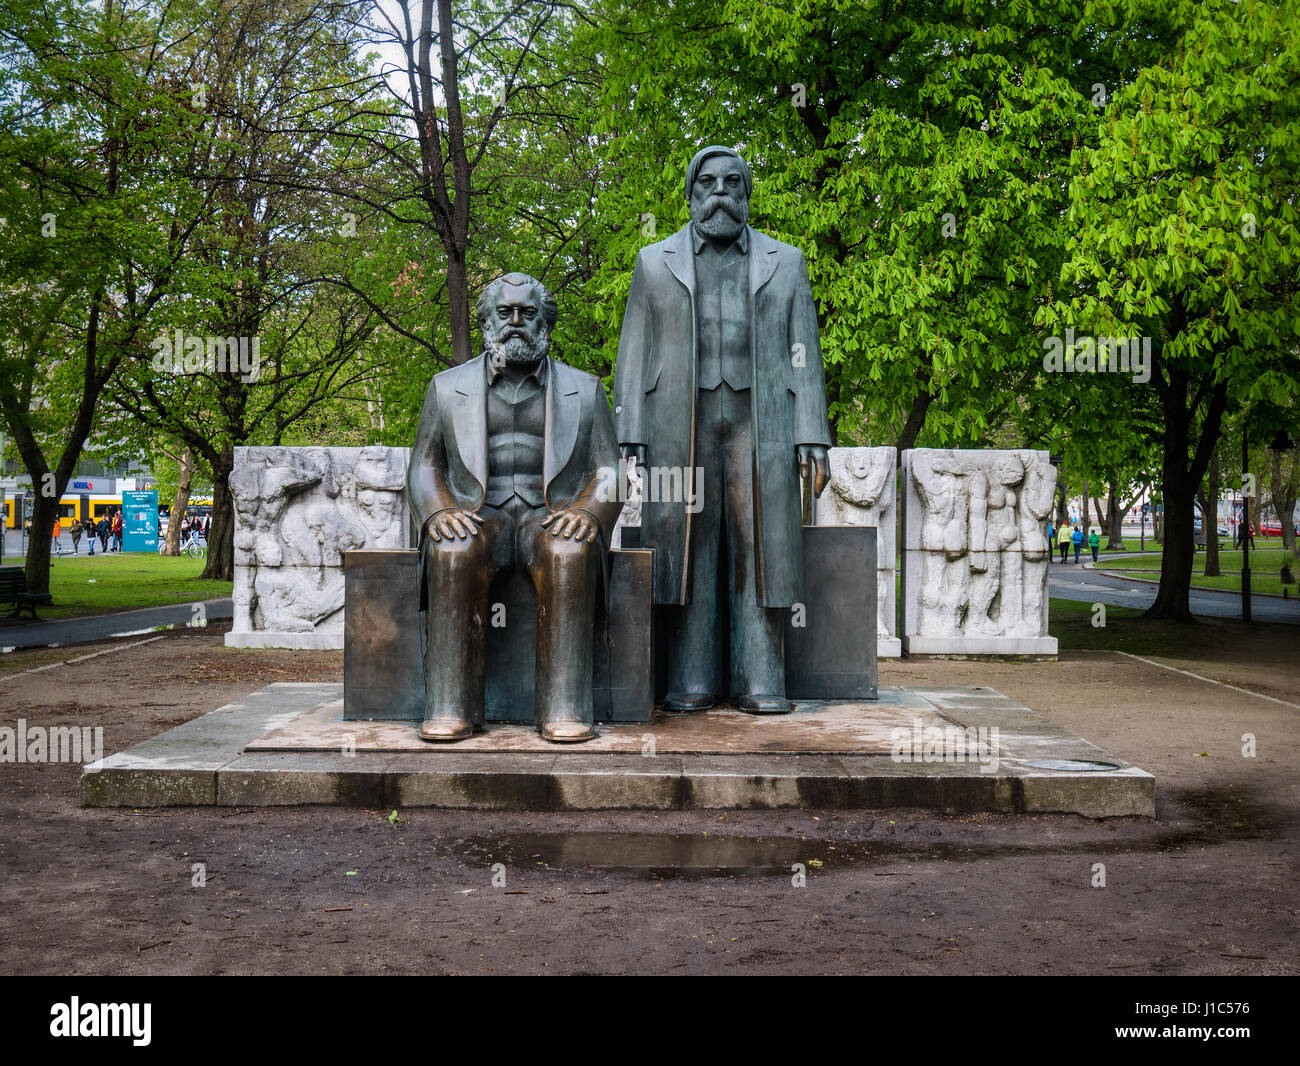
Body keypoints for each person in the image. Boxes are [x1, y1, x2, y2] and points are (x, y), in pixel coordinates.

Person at [612, 145, 831, 715]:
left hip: (764, 419)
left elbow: (803, 352)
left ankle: (762, 678)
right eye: (707, 182)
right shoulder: (653, 262)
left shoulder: (787, 261)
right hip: (677, 420)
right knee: (688, 545)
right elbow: (634, 350)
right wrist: (628, 432)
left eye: (733, 183)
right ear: (689, 194)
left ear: (747, 194)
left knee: (761, 544)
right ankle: (691, 679)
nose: (720, 193)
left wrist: (812, 432)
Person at [408, 272, 622, 743]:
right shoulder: (446, 388)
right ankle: (450, 707)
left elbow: (609, 471)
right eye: (505, 313)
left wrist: (587, 512)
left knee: (568, 550)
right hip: (478, 512)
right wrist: (439, 511)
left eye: (528, 313)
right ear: (487, 320)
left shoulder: (586, 390)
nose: (516, 322)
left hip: (550, 514)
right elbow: (425, 467)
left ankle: (565, 709)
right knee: (452, 549)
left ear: (545, 321)